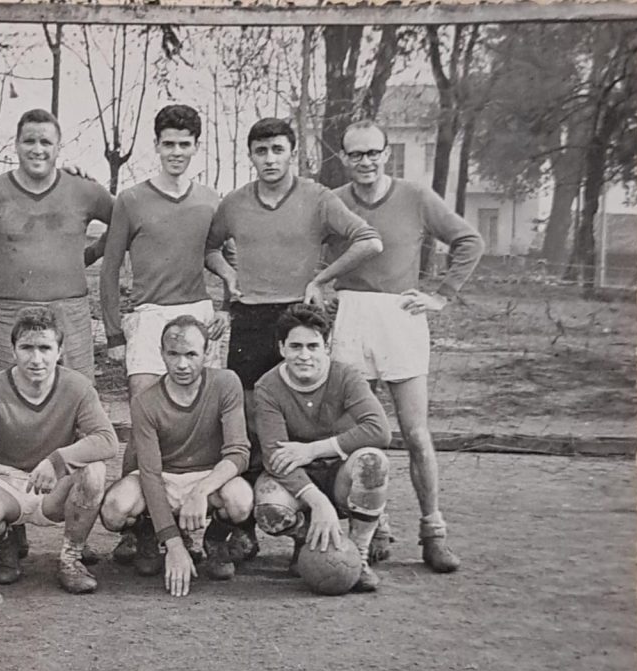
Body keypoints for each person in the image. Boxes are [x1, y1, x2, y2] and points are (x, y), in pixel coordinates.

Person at [203, 117, 384, 560]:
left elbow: (368, 240)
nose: (270, 159)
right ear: (251, 155)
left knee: (315, 412)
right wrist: (228, 276)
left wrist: (321, 278)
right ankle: (243, 527)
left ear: (292, 153)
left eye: (278, 150)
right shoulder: (234, 203)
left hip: (297, 316)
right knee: (248, 420)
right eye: (261, 151)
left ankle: (347, 520)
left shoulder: (317, 198)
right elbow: (209, 248)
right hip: (250, 318)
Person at [329, 119, 484, 573]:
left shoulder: (415, 196)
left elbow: (469, 241)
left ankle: (433, 531)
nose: (365, 161)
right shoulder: (332, 201)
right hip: (351, 316)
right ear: (344, 158)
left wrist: (441, 295)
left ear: (386, 153)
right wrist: (319, 284)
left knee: (416, 433)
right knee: (357, 433)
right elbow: (306, 249)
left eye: (373, 152)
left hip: (400, 315)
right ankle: (373, 522)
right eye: (356, 154)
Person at [99, 104, 228, 564]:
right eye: (168, 143)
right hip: (150, 316)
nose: (176, 152)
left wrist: (227, 305)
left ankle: (204, 529)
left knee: (203, 420)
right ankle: (140, 530)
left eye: (184, 144)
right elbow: (110, 268)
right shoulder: (131, 200)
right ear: (156, 145)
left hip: (197, 314)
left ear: (196, 147)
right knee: (144, 420)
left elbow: (224, 258)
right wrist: (114, 334)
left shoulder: (211, 200)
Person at [0, 307, 118, 594]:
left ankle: (71, 558)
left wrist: (58, 460)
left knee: (94, 472)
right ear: (13, 350)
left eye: (45, 348)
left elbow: (107, 440)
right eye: (27, 348)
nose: (36, 359)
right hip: (5, 480)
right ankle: (6, 542)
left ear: (60, 351)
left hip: (52, 484)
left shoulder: (78, 387)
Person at [0, 108, 113, 383]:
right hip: (11, 310)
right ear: (16, 145)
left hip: (69, 310)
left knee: (77, 390)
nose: (37, 149)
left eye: (46, 142)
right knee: (8, 390)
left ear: (58, 148)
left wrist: (91, 254)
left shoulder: (85, 190)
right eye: (29, 141)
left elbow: (124, 221)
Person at [100, 316, 252, 597]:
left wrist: (201, 491)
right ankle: (148, 532)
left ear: (207, 352)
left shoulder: (226, 383)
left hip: (207, 476)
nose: (182, 364)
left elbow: (238, 452)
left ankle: (215, 539)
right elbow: (150, 473)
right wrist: (174, 545)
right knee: (114, 509)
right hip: (164, 478)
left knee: (241, 500)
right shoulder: (145, 401)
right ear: (162, 354)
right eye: (173, 354)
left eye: (191, 354)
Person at [251, 304, 391, 593]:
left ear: (327, 347)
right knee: (270, 509)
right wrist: (318, 502)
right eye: (296, 346)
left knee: (372, 462)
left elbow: (380, 430)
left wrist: (313, 449)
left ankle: (358, 554)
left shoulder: (346, 376)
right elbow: (275, 456)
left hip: (339, 472)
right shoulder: (268, 387)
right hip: (298, 478)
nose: (304, 355)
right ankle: (307, 541)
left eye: (313, 346)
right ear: (281, 348)